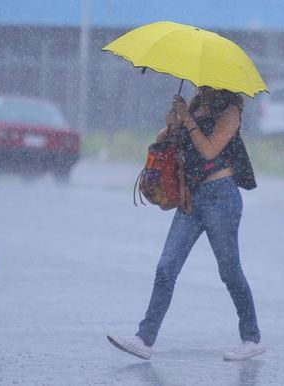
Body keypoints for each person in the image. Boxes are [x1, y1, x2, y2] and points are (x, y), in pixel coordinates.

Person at [108, 86, 264, 361]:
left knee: (229, 271)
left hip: (221, 197)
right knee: (166, 267)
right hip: (191, 197)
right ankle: (145, 339)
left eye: (207, 81)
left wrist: (187, 119)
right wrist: (171, 124)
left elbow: (209, 150)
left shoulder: (230, 113)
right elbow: (165, 140)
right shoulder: (192, 107)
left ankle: (251, 338)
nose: (201, 85)